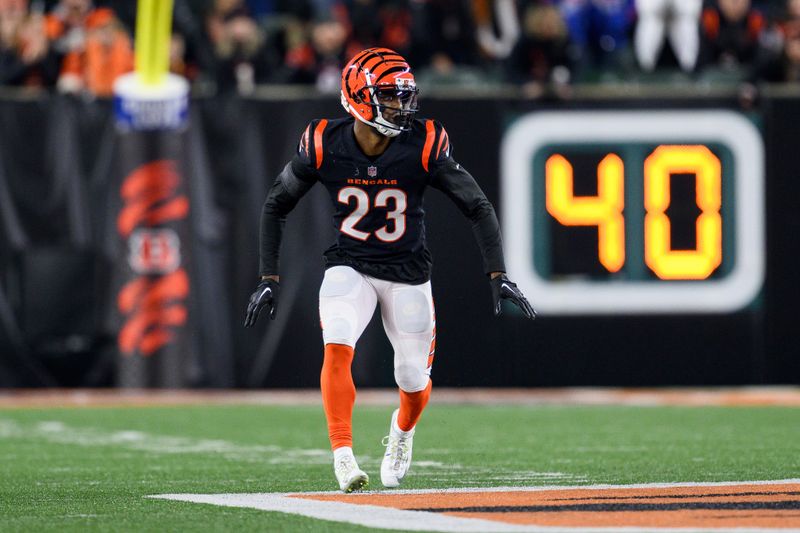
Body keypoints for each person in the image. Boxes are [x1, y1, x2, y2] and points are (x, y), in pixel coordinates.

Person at [244, 47, 535, 493]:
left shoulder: (424, 142)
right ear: (360, 98)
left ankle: (401, 432)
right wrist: (268, 277)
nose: (402, 106)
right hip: (351, 265)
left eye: (403, 96)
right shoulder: (324, 141)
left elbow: (476, 206)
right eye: (390, 96)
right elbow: (276, 204)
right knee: (338, 343)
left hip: (409, 273)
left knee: (412, 378)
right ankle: (342, 455)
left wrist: (498, 273)